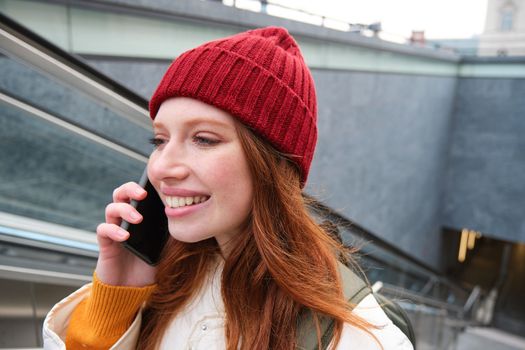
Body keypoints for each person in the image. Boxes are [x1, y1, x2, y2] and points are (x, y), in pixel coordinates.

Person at [43, 26, 413, 350]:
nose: (162, 167)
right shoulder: (167, 278)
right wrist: (117, 296)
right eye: (159, 140)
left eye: (203, 139)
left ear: (271, 164)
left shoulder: (353, 334)